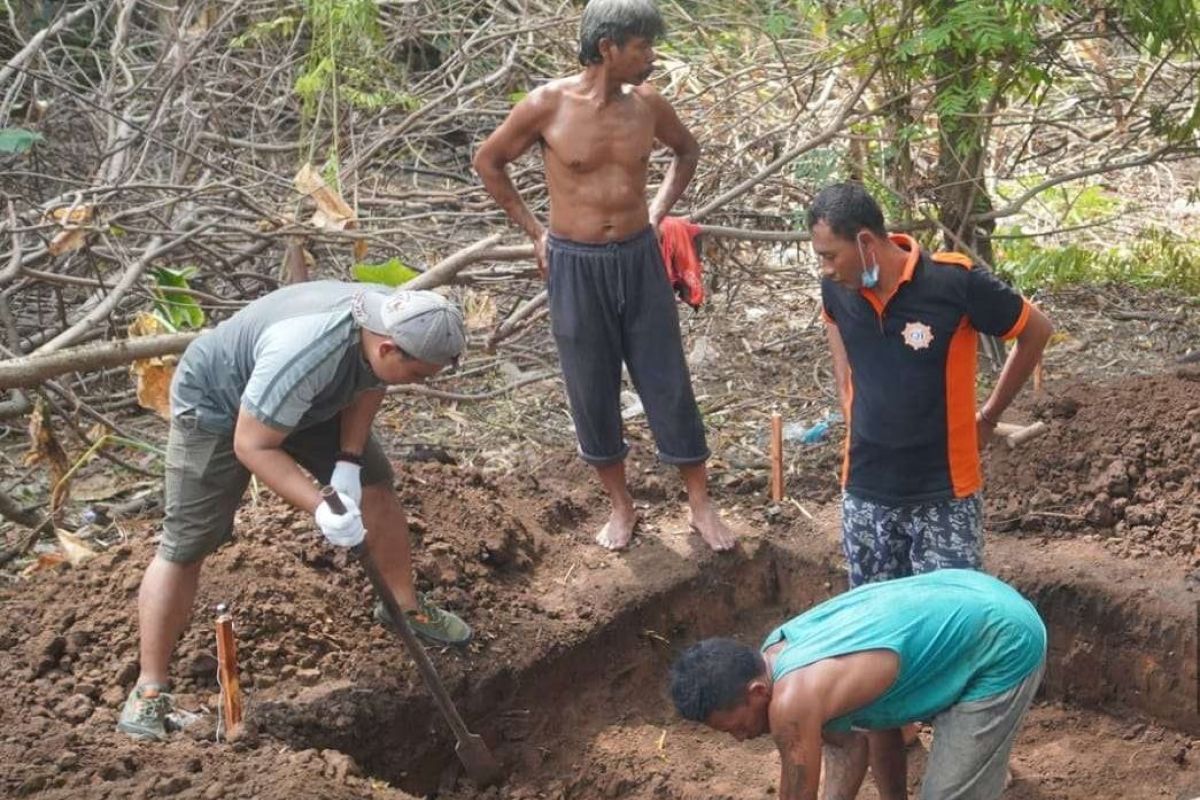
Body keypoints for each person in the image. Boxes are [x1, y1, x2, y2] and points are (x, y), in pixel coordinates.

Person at [118, 282, 473, 741]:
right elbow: (252, 443)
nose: (421, 383)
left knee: (374, 485)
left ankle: (403, 608)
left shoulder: (398, 315)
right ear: (388, 346)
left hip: (308, 401)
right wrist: (321, 507)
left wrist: (348, 459)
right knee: (187, 544)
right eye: (420, 375)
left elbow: (373, 380)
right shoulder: (307, 351)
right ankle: (149, 690)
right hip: (220, 402)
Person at [473, 0, 735, 552]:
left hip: (639, 257)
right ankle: (622, 508)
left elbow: (686, 152)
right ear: (607, 47)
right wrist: (535, 232)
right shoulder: (547, 105)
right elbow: (488, 161)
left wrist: (659, 212)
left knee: (666, 376)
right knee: (590, 385)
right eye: (642, 46)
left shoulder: (648, 105)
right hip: (575, 263)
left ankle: (700, 506)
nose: (651, 57)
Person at [670, 569, 1047, 800]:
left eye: (736, 727)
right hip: (969, 595)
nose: (740, 738)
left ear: (756, 692)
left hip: (1001, 640)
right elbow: (857, 740)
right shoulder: (775, 651)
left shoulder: (792, 701)